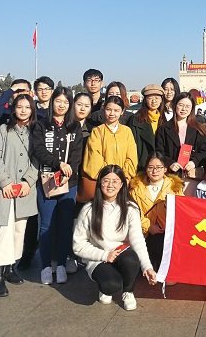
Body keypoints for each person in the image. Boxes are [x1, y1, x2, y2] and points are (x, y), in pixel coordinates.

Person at [73, 165, 157, 311]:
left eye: (115, 181)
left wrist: (147, 267)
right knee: (110, 286)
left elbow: (137, 240)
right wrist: (105, 255)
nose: (110, 185)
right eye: (106, 180)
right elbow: (78, 245)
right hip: (99, 256)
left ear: (122, 184)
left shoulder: (130, 208)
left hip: (121, 252)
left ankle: (128, 291)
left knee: (131, 259)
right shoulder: (88, 209)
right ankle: (107, 282)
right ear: (100, 183)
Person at [0, 94, 39, 297]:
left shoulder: (35, 132)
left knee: (18, 231)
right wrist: (5, 182)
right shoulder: (4, 130)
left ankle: (10, 268)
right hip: (3, 189)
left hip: (24, 189)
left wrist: (28, 181)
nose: (23, 110)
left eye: (27, 107)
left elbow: (37, 159)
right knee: (3, 232)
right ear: (13, 109)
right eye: (19, 106)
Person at [32, 87, 83, 285]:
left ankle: (61, 264)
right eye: (58, 101)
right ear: (52, 102)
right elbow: (38, 150)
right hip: (47, 180)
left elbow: (77, 153)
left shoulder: (74, 126)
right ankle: (46, 266)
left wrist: (68, 171)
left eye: (66, 102)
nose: (61, 105)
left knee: (65, 224)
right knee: (46, 224)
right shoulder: (41, 125)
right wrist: (58, 164)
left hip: (69, 182)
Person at [128, 152, 184, 270]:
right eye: (150, 167)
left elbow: (183, 209)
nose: (154, 171)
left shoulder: (174, 187)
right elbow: (132, 214)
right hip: (144, 234)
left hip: (168, 233)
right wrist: (148, 226)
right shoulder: (136, 188)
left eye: (159, 167)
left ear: (165, 169)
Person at [82, 95, 138, 182]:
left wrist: (125, 176)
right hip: (103, 181)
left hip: (123, 180)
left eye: (116, 110)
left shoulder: (127, 131)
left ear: (122, 112)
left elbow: (131, 158)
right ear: (104, 109)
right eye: (108, 109)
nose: (112, 113)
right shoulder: (97, 132)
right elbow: (94, 160)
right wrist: (109, 177)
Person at [157, 92, 206, 184]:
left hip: (192, 177)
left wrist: (194, 162)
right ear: (175, 106)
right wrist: (170, 163)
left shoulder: (199, 129)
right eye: (181, 105)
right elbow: (159, 151)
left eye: (188, 106)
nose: (184, 109)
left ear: (192, 108)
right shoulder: (164, 129)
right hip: (171, 176)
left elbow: (204, 151)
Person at [129, 84, 166, 171]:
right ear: (145, 100)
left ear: (161, 100)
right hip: (142, 166)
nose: (154, 101)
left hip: (159, 168)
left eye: (157, 98)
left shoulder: (163, 120)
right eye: (150, 98)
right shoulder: (136, 120)